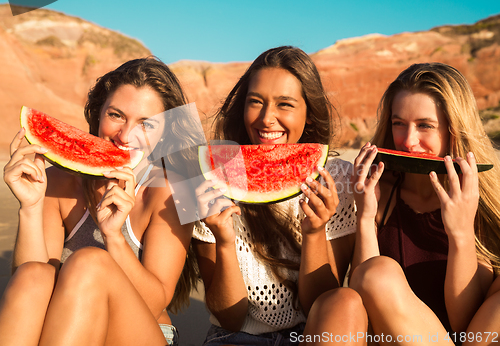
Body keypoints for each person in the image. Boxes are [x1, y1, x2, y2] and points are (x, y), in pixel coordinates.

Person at [0, 57, 199, 346]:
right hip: (66, 329)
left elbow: (155, 302)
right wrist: (30, 207)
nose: (125, 135)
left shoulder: (172, 192)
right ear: (98, 114)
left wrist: (113, 236)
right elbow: (30, 289)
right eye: (116, 115)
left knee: (90, 263)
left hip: (141, 334)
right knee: (33, 274)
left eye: (146, 123)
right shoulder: (58, 181)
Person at [192, 46, 367, 345]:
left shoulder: (337, 179)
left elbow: (320, 306)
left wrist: (314, 233)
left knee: (346, 301)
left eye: (284, 104)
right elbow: (230, 318)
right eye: (255, 102)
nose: (266, 119)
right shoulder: (207, 179)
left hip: (310, 336)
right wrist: (222, 238)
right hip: (235, 336)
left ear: (309, 114)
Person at [349, 62, 500, 344]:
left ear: (454, 129)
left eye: (425, 126)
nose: (408, 141)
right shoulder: (379, 192)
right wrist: (366, 218)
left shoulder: (479, 198)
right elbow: (365, 295)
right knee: (377, 273)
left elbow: (465, 326)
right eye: (398, 124)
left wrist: (461, 232)